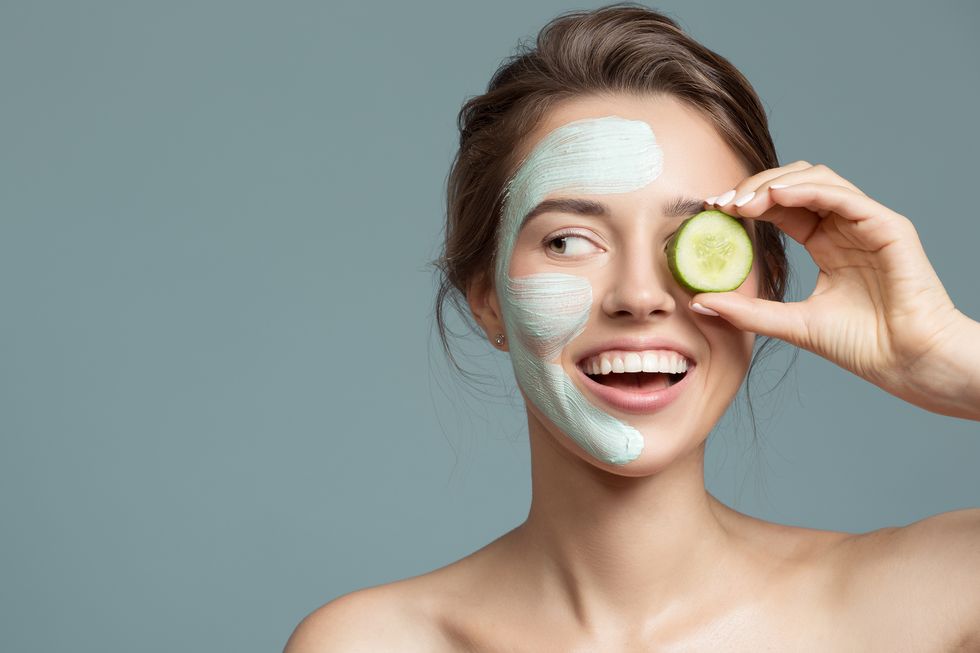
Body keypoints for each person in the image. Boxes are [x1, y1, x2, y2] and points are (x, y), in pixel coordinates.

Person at [285, 4, 980, 650]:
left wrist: (953, 360)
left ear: (766, 280)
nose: (641, 295)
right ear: (486, 297)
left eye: (697, 240)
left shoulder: (927, 602)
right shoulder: (372, 641)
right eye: (569, 241)